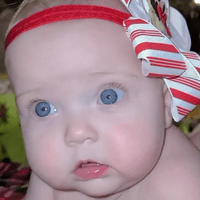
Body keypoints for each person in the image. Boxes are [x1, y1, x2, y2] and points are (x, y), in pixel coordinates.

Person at [4, 0, 200, 199]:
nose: (76, 133)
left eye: (108, 97)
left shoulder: (181, 186)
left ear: (165, 101)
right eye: (43, 109)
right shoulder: (54, 167)